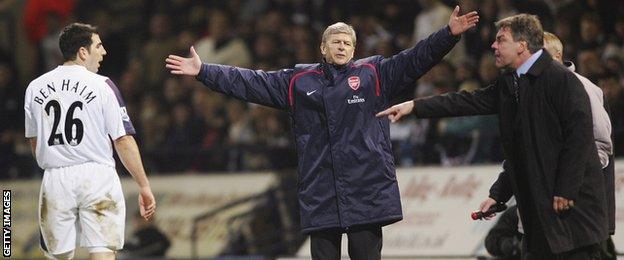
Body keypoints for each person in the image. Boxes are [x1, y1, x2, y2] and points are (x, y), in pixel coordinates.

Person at [165, 7, 478, 259]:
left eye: (347, 43)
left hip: (365, 189)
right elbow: (251, 82)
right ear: (323, 48)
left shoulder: (374, 74)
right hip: (321, 190)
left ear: (354, 49)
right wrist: (205, 71)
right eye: (336, 42)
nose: (341, 46)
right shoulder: (298, 81)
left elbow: (416, 59)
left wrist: (448, 35)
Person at [377, 14, 608, 259]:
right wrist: (414, 106)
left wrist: (566, 189)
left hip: (571, 215)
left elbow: (580, 139)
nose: (493, 46)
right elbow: (468, 103)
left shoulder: (561, 81)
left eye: (501, 40)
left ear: (522, 45)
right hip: (539, 216)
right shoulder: (512, 83)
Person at [24, 23, 156, 260]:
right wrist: (144, 185)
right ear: (83, 52)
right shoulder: (103, 85)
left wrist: (58, 160)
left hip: (55, 178)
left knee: (58, 257)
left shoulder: (35, 88)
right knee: (103, 251)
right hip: (97, 176)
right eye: (98, 46)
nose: (103, 52)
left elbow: (35, 141)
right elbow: (123, 139)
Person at [543, 31, 617, 260]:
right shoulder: (536, 90)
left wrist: (566, 182)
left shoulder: (582, 88)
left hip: (581, 211)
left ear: (556, 57)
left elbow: (601, 148)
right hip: (552, 214)